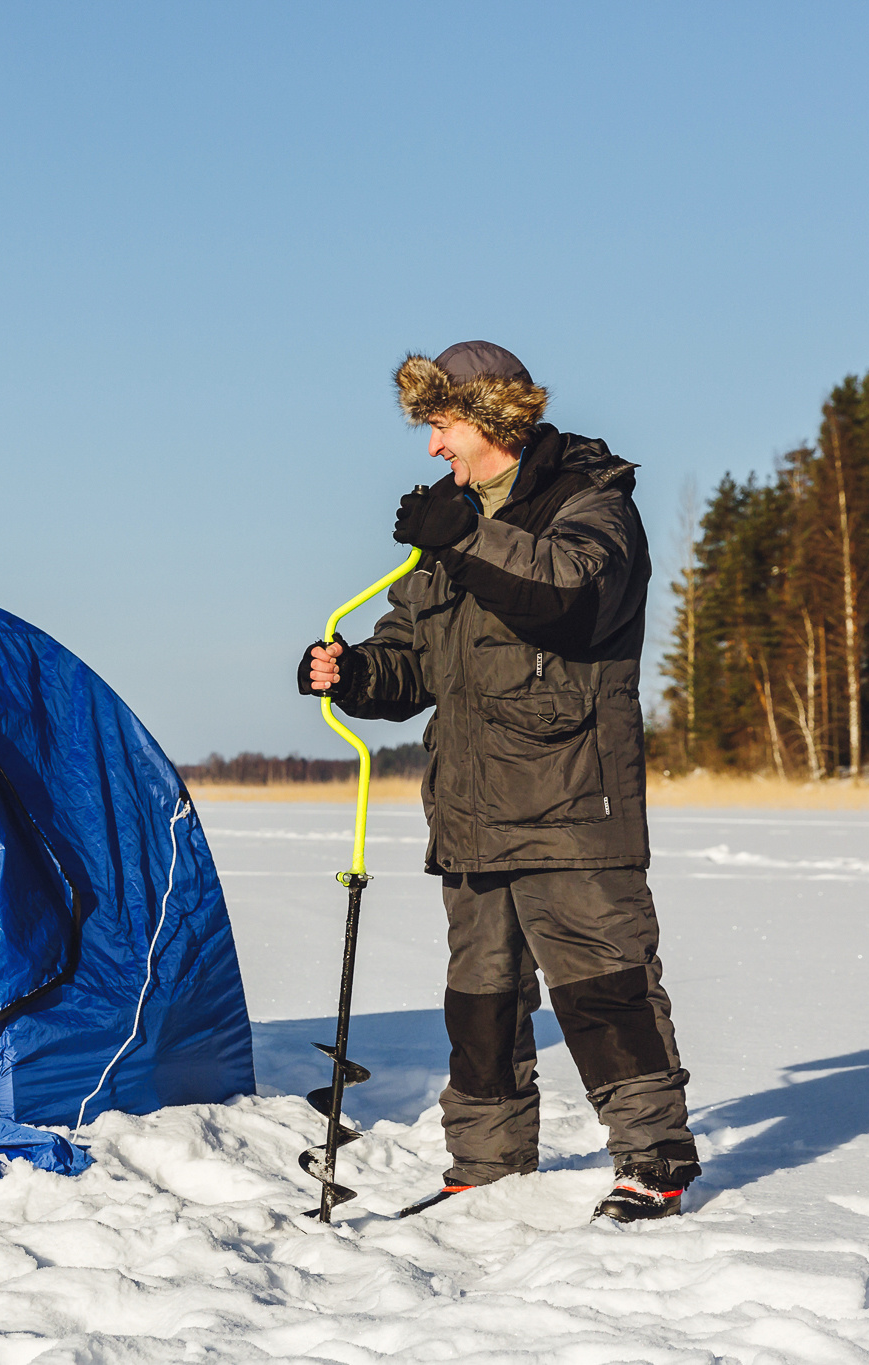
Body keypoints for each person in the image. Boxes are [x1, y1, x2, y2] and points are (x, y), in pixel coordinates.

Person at [299, 340, 699, 1221]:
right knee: (480, 995)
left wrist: (469, 536)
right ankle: (487, 1160)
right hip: (472, 805)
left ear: (490, 417)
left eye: (441, 424)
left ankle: (654, 1160)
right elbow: (415, 657)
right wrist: (354, 672)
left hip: (570, 798)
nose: (434, 447)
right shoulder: (449, 525)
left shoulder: (590, 498)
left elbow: (568, 597)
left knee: (603, 985)